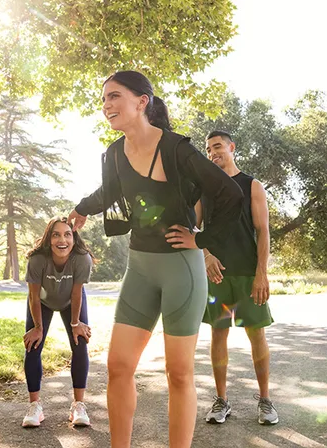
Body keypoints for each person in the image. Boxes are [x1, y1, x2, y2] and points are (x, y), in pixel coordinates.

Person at [68, 71, 243, 448]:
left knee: (178, 372)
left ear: (141, 101)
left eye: (114, 97)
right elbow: (110, 192)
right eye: (103, 100)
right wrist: (82, 208)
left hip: (181, 269)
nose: (106, 106)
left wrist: (202, 240)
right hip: (140, 268)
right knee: (118, 367)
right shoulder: (115, 153)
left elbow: (229, 193)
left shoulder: (177, 149)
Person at [197, 130, 278, 426]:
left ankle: (266, 401)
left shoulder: (251, 185)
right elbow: (194, 229)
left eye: (217, 146)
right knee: (218, 334)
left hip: (247, 274)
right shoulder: (203, 189)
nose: (212, 152)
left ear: (232, 147)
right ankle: (221, 401)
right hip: (216, 277)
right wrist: (206, 255)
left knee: (256, 334)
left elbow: (263, 231)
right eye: (208, 149)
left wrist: (261, 274)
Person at [21, 218, 93, 428]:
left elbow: (77, 292)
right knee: (33, 345)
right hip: (42, 301)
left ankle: (78, 405)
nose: (62, 239)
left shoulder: (82, 259)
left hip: (72, 300)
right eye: (56, 234)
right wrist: (37, 328)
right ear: (49, 239)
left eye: (67, 234)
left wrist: (75, 324)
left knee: (80, 343)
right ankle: (35, 407)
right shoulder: (37, 260)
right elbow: (34, 296)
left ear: (73, 238)